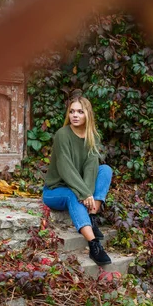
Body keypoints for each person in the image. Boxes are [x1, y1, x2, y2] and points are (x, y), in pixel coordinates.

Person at [42, 96, 113, 266]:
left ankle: (91, 217)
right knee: (72, 195)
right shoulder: (62, 135)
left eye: (80, 112)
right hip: (55, 190)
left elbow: (90, 168)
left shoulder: (92, 137)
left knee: (105, 170)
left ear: (87, 115)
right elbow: (65, 168)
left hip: (78, 186)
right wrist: (83, 193)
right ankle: (94, 244)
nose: (75, 115)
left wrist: (87, 193)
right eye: (72, 111)